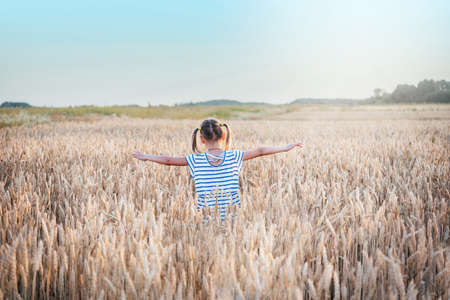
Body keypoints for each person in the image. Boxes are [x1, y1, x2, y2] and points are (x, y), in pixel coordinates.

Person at [132, 118, 302, 219]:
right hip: (233, 216)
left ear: (202, 139)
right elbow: (261, 151)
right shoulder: (234, 156)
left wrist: (147, 157)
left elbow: (168, 160)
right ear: (224, 135)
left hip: (205, 216)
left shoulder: (194, 160)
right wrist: (285, 147)